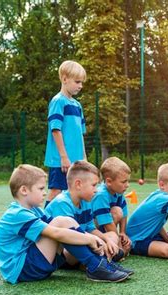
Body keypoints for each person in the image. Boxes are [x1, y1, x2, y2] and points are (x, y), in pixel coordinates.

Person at [0, 164, 129, 284]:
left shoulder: (34, 210)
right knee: (61, 221)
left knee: (65, 221)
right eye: (40, 189)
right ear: (24, 190)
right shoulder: (17, 214)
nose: (45, 192)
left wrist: (96, 238)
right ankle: (96, 266)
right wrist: (90, 239)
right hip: (22, 270)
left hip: (33, 263)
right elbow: (56, 232)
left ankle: (101, 264)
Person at [45, 161, 133, 275]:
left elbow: (91, 228)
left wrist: (107, 240)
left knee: (111, 235)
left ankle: (99, 261)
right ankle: (99, 263)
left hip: (81, 242)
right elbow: (70, 236)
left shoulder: (85, 201)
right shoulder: (62, 203)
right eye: (93, 185)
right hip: (64, 252)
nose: (96, 189)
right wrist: (99, 241)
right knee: (89, 241)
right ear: (78, 184)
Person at [44, 60, 87, 207]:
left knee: (75, 192)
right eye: (77, 82)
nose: (80, 86)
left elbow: (81, 133)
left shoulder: (77, 105)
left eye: (82, 82)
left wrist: (84, 157)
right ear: (64, 79)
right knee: (56, 191)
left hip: (76, 159)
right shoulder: (58, 101)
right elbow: (55, 129)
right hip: (60, 160)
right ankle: (44, 224)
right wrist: (63, 157)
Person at [91, 157, 132, 260]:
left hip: (105, 228)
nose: (127, 185)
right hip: (93, 230)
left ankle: (112, 245)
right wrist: (119, 245)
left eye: (128, 181)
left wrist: (123, 232)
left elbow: (124, 212)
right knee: (116, 211)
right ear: (109, 181)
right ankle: (112, 247)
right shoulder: (101, 195)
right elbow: (107, 223)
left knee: (118, 210)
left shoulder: (118, 192)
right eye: (123, 182)